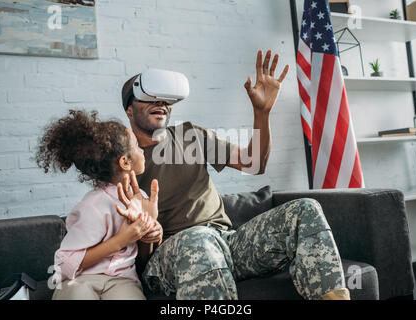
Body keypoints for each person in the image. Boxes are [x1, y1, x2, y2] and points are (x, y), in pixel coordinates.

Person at [120, 50, 350, 300]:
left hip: (226, 242)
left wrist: (262, 112)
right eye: (149, 97)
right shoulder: (121, 160)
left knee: (304, 209)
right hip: (170, 256)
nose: (160, 103)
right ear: (130, 110)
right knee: (198, 239)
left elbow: (253, 164)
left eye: (165, 99)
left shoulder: (190, 136)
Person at [35, 110, 163, 300]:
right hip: (82, 278)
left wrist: (150, 234)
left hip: (123, 281)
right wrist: (119, 241)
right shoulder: (92, 206)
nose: (142, 151)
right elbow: (63, 265)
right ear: (125, 162)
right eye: (137, 146)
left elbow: (143, 260)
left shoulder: (142, 199)